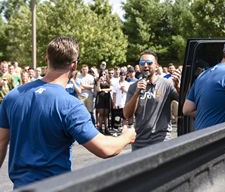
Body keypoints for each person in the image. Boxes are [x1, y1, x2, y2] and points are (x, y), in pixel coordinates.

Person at [0, 36, 136, 189]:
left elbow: (1, 143)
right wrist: (127, 136)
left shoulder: (12, 96)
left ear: (46, 59)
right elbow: (105, 148)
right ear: (74, 65)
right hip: (55, 187)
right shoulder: (70, 105)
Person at [124, 50, 180, 151]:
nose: (145, 65)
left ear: (157, 66)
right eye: (142, 63)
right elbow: (127, 114)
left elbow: (184, 104)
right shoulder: (133, 87)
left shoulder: (167, 84)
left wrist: (178, 87)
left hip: (161, 140)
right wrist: (137, 93)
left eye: (149, 63)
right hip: (140, 142)